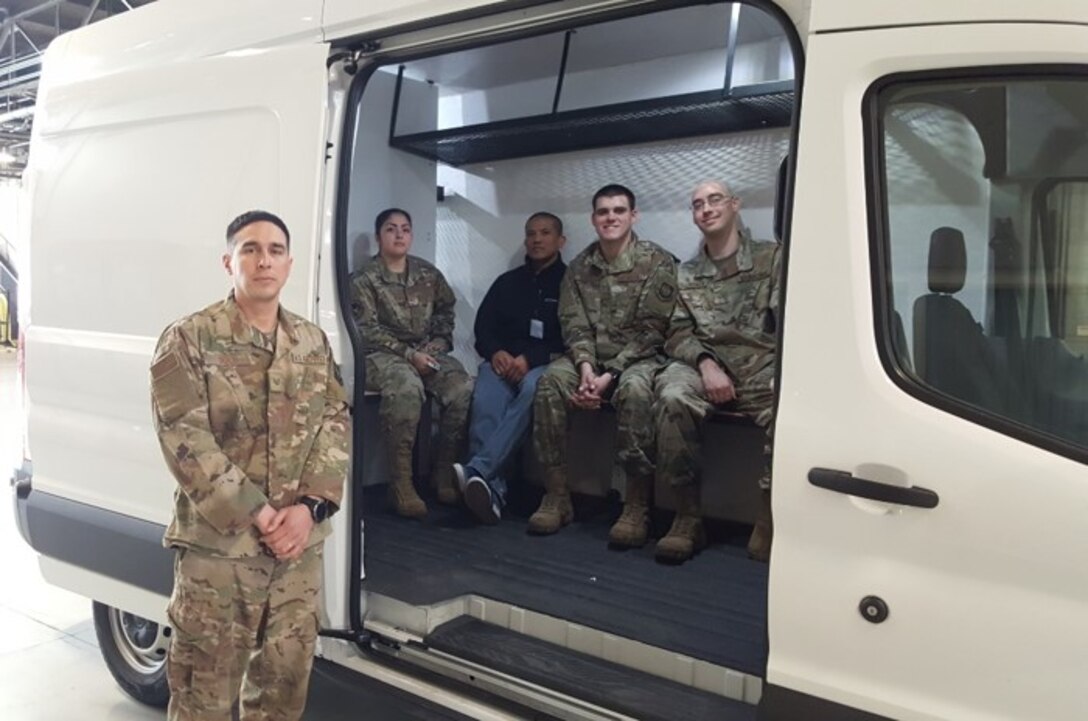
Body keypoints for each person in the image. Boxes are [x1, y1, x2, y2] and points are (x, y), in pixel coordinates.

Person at [149, 210, 350, 721]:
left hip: (297, 555)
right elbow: (184, 438)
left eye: (276, 250)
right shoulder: (190, 339)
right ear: (228, 261)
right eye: (250, 249)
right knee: (204, 698)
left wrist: (308, 509)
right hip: (221, 555)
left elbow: (334, 420)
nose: (264, 260)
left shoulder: (310, 342)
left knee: (283, 692)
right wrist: (261, 516)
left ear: (289, 264)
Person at [530, 185, 677, 546]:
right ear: (594, 219)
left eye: (618, 211)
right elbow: (574, 323)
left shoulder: (657, 262)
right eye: (603, 212)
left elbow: (653, 331)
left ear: (633, 216)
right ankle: (558, 495)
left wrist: (609, 375)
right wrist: (584, 368)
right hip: (589, 361)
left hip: (639, 359)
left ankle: (636, 504)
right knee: (550, 382)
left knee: (636, 390)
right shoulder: (580, 267)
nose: (610, 218)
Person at [654, 180, 780, 564]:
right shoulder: (686, 272)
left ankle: (767, 515)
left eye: (714, 200)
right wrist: (707, 365)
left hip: (761, 366)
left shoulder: (771, 258)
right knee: (672, 394)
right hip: (707, 365)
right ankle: (687, 516)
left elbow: (796, 319)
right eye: (697, 205)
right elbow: (676, 332)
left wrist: (787, 370)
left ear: (734, 205)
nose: (706, 209)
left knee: (792, 406)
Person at [350, 208, 472, 518]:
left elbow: (446, 309)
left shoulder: (427, 274)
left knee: (461, 387)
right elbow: (367, 330)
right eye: (391, 229)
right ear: (379, 237)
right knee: (406, 387)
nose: (400, 234)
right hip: (380, 355)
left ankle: (444, 471)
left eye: (406, 228)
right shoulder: (364, 279)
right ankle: (400, 485)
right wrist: (408, 355)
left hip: (425, 351)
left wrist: (440, 342)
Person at [454, 212, 567, 523]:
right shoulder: (507, 282)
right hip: (503, 363)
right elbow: (484, 329)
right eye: (531, 233)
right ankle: (492, 493)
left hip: (546, 364)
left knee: (534, 387)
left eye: (545, 233)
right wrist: (496, 352)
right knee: (486, 398)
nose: (537, 239)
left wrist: (531, 358)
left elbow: (573, 336)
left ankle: (480, 471)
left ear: (561, 241)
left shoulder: (571, 284)